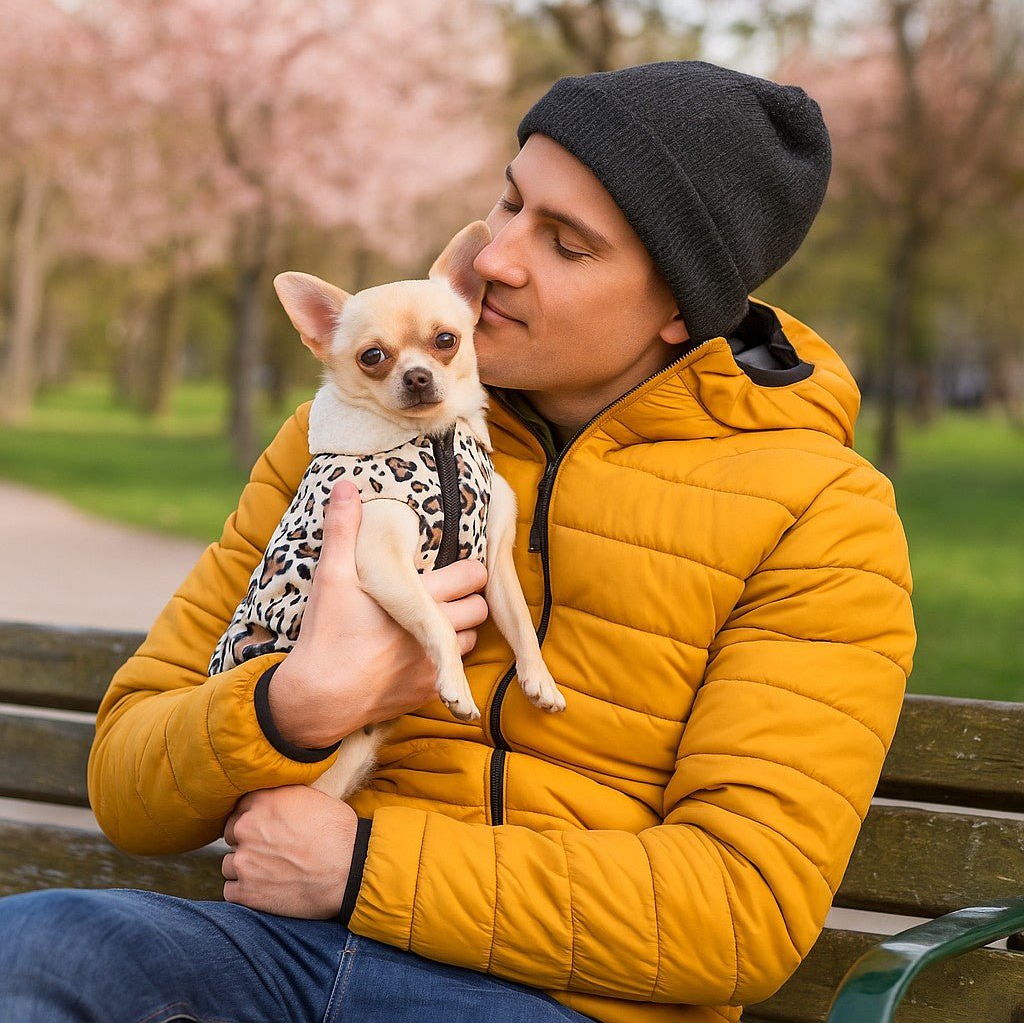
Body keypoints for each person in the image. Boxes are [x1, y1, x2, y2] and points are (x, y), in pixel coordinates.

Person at [0, 61, 915, 1023]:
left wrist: (361, 867)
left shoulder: (821, 512)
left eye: (566, 244)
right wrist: (287, 709)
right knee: (44, 950)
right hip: (290, 956)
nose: (495, 258)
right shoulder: (340, 433)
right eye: (510, 202)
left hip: (562, 1003)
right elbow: (127, 776)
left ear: (682, 309)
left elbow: (740, 912)